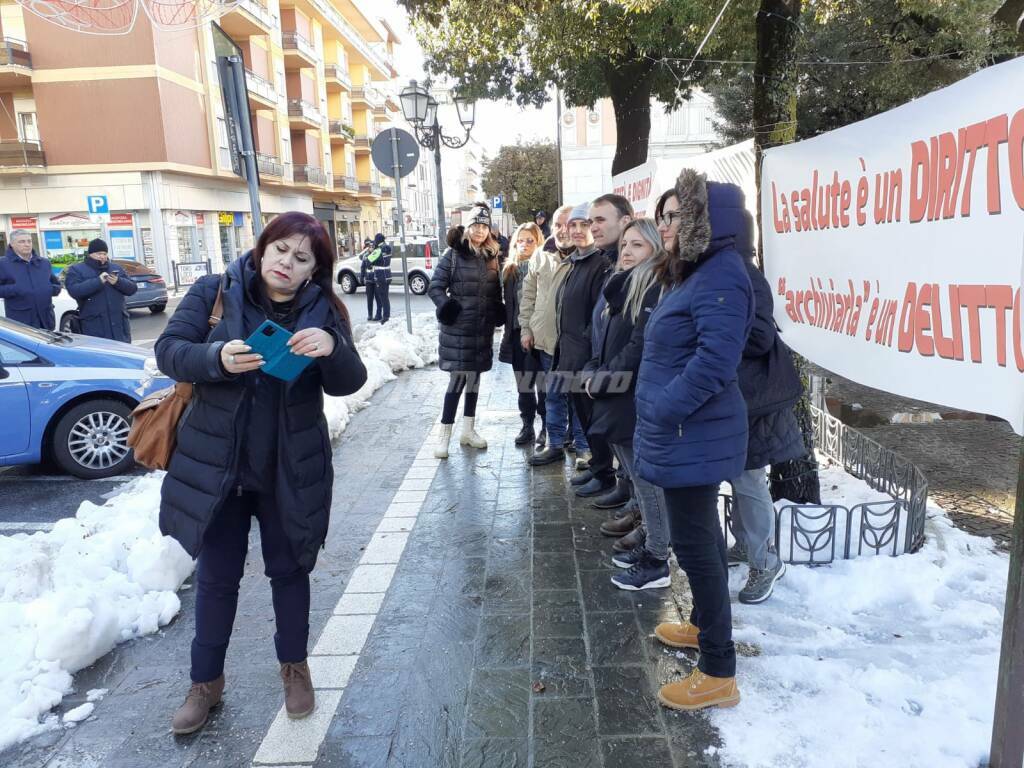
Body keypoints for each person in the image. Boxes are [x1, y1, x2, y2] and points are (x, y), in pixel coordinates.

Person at [155, 212, 368, 734]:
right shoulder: (215, 291)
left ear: (314, 270)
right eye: (279, 251)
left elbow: (350, 381)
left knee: (290, 570)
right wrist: (216, 358)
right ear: (262, 249)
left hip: (288, 469)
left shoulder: (324, 310)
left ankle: (294, 668)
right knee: (216, 578)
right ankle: (205, 682)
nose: (286, 264)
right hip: (219, 470)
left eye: (301, 259)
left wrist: (332, 349)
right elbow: (169, 352)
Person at [634, 170, 754, 711]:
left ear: (707, 220)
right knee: (697, 541)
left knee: (698, 550)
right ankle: (705, 627)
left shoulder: (722, 274)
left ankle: (718, 670)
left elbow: (714, 362)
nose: (666, 225)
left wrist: (664, 407)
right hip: (685, 434)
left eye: (675, 215)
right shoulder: (695, 272)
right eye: (663, 217)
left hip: (690, 433)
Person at [582, 219, 671, 590]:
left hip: (631, 396)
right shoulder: (620, 284)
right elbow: (604, 341)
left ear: (655, 249)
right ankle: (652, 541)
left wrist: (601, 380)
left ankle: (658, 555)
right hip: (613, 393)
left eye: (638, 245)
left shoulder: (653, 287)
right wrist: (592, 371)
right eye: (626, 246)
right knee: (636, 477)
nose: (628, 252)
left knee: (648, 482)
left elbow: (639, 346)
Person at [727, 210, 804, 604]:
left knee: (749, 479)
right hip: (737, 396)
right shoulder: (724, 267)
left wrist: (718, 339)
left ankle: (765, 561)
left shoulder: (743, 271)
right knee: (740, 477)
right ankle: (746, 547)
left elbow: (758, 337)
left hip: (754, 400)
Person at [428, 202, 504, 459]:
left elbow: (495, 292)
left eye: (484, 226)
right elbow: (435, 287)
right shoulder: (453, 256)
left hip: (481, 331)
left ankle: (468, 431)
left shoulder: (492, 257)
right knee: (457, 382)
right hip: (458, 331)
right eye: (476, 226)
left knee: (474, 380)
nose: (480, 231)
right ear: (467, 227)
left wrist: (498, 310)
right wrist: (446, 306)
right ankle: (444, 437)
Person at [579, 194, 635, 512]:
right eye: (591, 221)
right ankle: (626, 490)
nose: (593, 227)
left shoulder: (635, 270)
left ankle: (637, 506)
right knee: (618, 442)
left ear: (624, 221)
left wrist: (604, 371)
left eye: (600, 220)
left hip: (620, 376)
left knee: (628, 444)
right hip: (601, 369)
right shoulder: (610, 263)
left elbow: (635, 337)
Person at [552, 202, 611, 487]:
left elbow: (598, 315)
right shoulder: (575, 262)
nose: (576, 230)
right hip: (571, 355)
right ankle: (598, 467)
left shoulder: (600, 264)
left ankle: (604, 473)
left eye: (583, 224)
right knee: (585, 418)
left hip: (587, 357)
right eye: (572, 225)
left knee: (595, 419)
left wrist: (589, 353)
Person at [525, 204, 589, 465]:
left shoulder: (587, 256)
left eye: (569, 224)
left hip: (578, 343)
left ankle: (584, 449)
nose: (563, 230)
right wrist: (526, 328)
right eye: (558, 224)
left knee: (579, 397)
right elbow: (528, 294)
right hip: (547, 341)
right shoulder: (540, 256)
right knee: (553, 396)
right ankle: (555, 445)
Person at [499, 222, 546, 446]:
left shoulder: (545, 267)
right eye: (521, 240)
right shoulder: (510, 270)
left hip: (541, 336)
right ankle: (527, 425)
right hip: (517, 334)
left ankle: (547, 425)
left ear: (538, 244)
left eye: (530, 240)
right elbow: (507, 305)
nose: (525, 244)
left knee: (543, 385)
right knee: (524, 384)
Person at [64, 238, 138, 342]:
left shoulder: (116, 268)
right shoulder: (77, 270)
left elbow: (132, 289)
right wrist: (98, 281)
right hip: (94, 328)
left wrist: (118, 282)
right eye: (99, 254)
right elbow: (74, 291)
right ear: (90, 254)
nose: (102, 257)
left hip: (120, 328)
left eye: (104, 253)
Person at [0, 228, 61, 330]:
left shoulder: (44, 263)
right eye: (22, 241)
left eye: (29, 241)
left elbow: (56, 285)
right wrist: (16, 289)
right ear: (12, 244)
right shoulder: (3, 264)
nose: (27, 244)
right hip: (21, 321)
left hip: (46, 319)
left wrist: (49, 289)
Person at [368, 234, 392, 324]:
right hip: (387, 275)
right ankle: (386, 315)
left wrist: (371, 252)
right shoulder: (388, 248)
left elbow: (368, 260)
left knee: (383, 298)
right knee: (385, 297)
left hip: (380, 276)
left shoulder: (378, 250)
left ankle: (385, 317)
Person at [352, 238, 375, 322]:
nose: (371, 248)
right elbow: (362, 268)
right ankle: (370, 314)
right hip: (368, 280)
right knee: (369, 299)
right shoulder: (365, 256)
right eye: (370, 247)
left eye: (372, 246)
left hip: (376, 280)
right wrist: (362, 278)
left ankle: (379, 314)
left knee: (378, 298)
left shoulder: (376, 255)